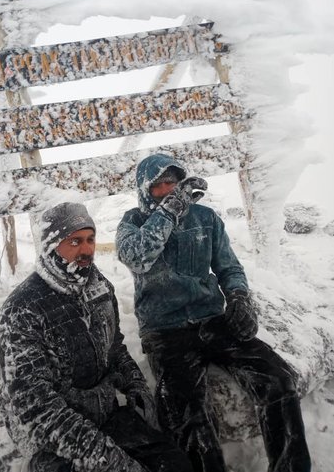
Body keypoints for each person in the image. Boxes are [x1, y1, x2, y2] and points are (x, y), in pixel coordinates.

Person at [115, 153, 311, 472]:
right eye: (158, 186)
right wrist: (168, 213)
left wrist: (238, 297)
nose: (167, 190)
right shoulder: (131, 223)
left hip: (214, 321)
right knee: (185, 414)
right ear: (144, 190)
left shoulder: (205, 217)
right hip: (165, 331)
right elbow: (139, 257)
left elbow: (229, 266)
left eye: (173, 183)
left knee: (278, 379)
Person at [0, 202, 192, 472]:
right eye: (74, 241)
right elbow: (36, 408)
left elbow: (114, 346)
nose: (86, 249)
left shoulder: (98, 287)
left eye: (90, 239)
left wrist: (136, 385)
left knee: (175, 464)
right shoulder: (23, 310)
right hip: (52, 439)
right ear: (52, 245)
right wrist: (111, 461)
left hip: (104, 415)